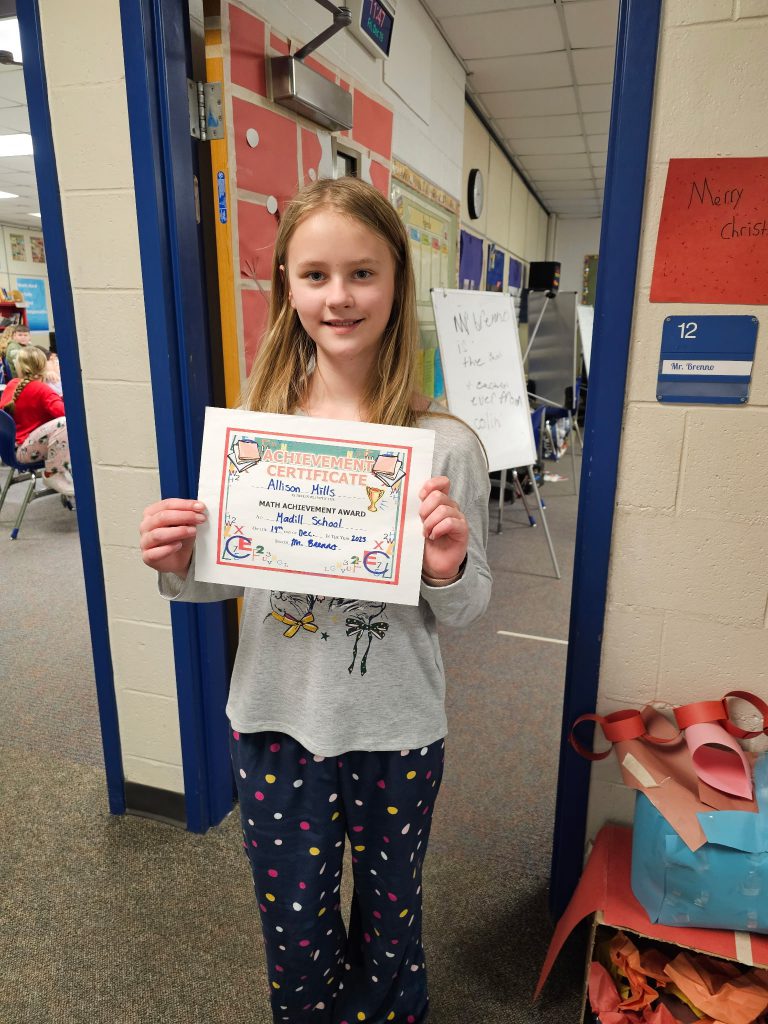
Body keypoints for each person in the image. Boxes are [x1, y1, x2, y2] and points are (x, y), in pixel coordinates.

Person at [139, 177, 491, 1024]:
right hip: (274, 721)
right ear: (287, 289)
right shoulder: (258, 430)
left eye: (363, 274)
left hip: (396, 727)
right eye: (316, 275)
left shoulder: (443, 442)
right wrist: (175, 558)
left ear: (397, 283)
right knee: (294, 934)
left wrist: (445, 567)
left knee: (391, 923)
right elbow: (218, 577)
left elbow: (470, 607)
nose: (340, 297)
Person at [0, 344, 74, 497]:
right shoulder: (42, 390)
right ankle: (53, 473)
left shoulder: (12, 385)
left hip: (13, 449)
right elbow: (66, 415)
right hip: (24, 451)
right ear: (44, 366)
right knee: (66, 424)